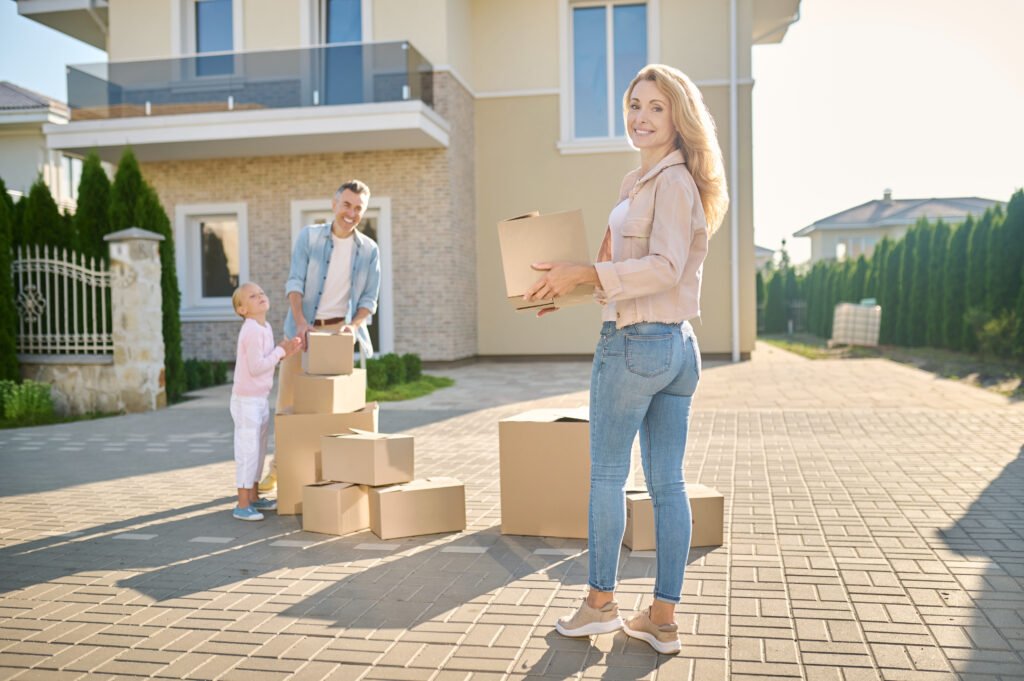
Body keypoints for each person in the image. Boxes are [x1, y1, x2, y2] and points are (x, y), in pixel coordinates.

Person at [525, 64, 729, 655]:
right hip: (675, 348)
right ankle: (661, 619)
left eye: (656, 107)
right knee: (668, 484)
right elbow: (626, 274)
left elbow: (664, 267)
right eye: (634, 105)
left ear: (679, 117)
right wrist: (570, 287)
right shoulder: (637, 182)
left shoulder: (673, 183)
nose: (641, 116)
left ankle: (600, 606)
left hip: (638, 346)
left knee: (610, 478)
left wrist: (590, 274)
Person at [259, 179, 381, 492]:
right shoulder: (310, 238)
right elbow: (295, 282)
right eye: (347, 205)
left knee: (332, 409)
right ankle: (279, 470)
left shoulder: (368, 251)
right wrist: (300, 322)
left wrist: (353, 326)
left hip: (338, 334)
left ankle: (325, 475)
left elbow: (369, 300)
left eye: (358, 208)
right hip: (303, 330)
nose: (351, 213)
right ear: (334, 203)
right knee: (287, 403)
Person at [230, 282, 301, 521]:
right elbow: (257, 366)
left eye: (261, 292)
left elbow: (269, 358)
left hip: (259, 398)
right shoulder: (250, 330)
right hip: (246, 401)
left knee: (259, 450)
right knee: (247, 450)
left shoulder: (265, 327)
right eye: (252, 296)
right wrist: (280, 351)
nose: (260, 296)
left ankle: (253, 496)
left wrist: (287, 350)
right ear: (242, 309)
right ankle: (242, 504)